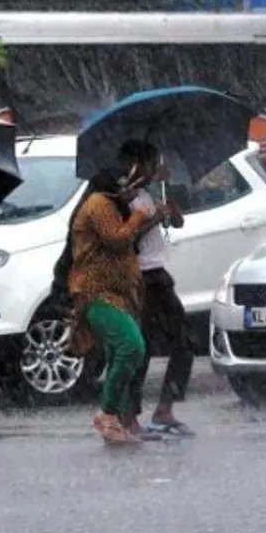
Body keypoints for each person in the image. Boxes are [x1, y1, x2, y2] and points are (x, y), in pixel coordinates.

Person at [67, 142, 165, 444]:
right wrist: (138, 217)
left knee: (121, 354)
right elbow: (117, 238)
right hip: (98, 292)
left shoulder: (113, 206)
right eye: (127, 183)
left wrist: (151, 217)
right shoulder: (98, 204)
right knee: (131, 346)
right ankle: (108, 414)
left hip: (120, 291)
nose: (132, 189)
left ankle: (118, 420)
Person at [125, 151, 197, 438]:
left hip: (158, 275)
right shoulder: (122, 197)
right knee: (140, 347)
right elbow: (126, 236)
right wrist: (156, 217)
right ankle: (129, 417)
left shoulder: (145, 193)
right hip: (139, 277)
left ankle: (165, 408)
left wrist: (171, 212)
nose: (157, 168)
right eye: (151, 163)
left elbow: (174, 224)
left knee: (185, 340)